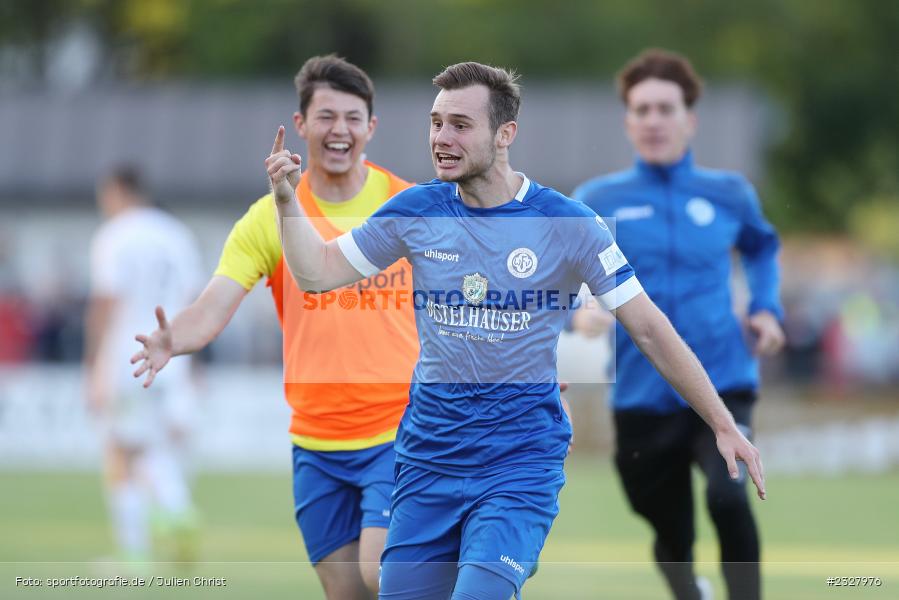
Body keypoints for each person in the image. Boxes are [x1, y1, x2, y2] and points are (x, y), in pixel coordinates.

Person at [267, 60, 766, 600]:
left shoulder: (568, 223)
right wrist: (286, 199)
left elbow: (647, 327)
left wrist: (721, 423)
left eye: (460, 124)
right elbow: (316, 273)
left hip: (518, 464)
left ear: (505, 134)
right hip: (425, 461)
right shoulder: (415, 209)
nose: (441, 138)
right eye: (436, 123)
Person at [130, 55, 418, 599]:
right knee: (345, 594)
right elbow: (214, 303)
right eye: (326, 116)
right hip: (315, 441)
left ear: (371, 128)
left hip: (399, 430)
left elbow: (473, 293)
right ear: (302, 124)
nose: (340, 130)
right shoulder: (269, 216)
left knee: (383, 576)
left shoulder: (408, 206)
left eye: (353, 118)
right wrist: (176, 338)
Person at [572, 49, 785, 600]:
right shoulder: (598, 200)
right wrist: (584, 309)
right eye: (642, 110)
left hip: (723, 378)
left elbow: (762, 247)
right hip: (642, 394)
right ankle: (690, 589)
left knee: (728, 496)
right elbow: (566, 274)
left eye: (666, 108)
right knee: (669, 529)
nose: (653, 120)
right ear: (628, 121)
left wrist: (766, 307)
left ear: (689, 119)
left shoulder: (728, 193)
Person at [84, 165, 203, 563]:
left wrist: (93, 366)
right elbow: (195, 301)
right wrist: (194, 361)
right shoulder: (177, 234)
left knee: (120, 450)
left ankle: (134, 552)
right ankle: (178, 508)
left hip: (127, 354)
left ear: (118, 191)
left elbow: (105, 302)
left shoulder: (115, 235)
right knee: (158, 444)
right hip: (173, 354)